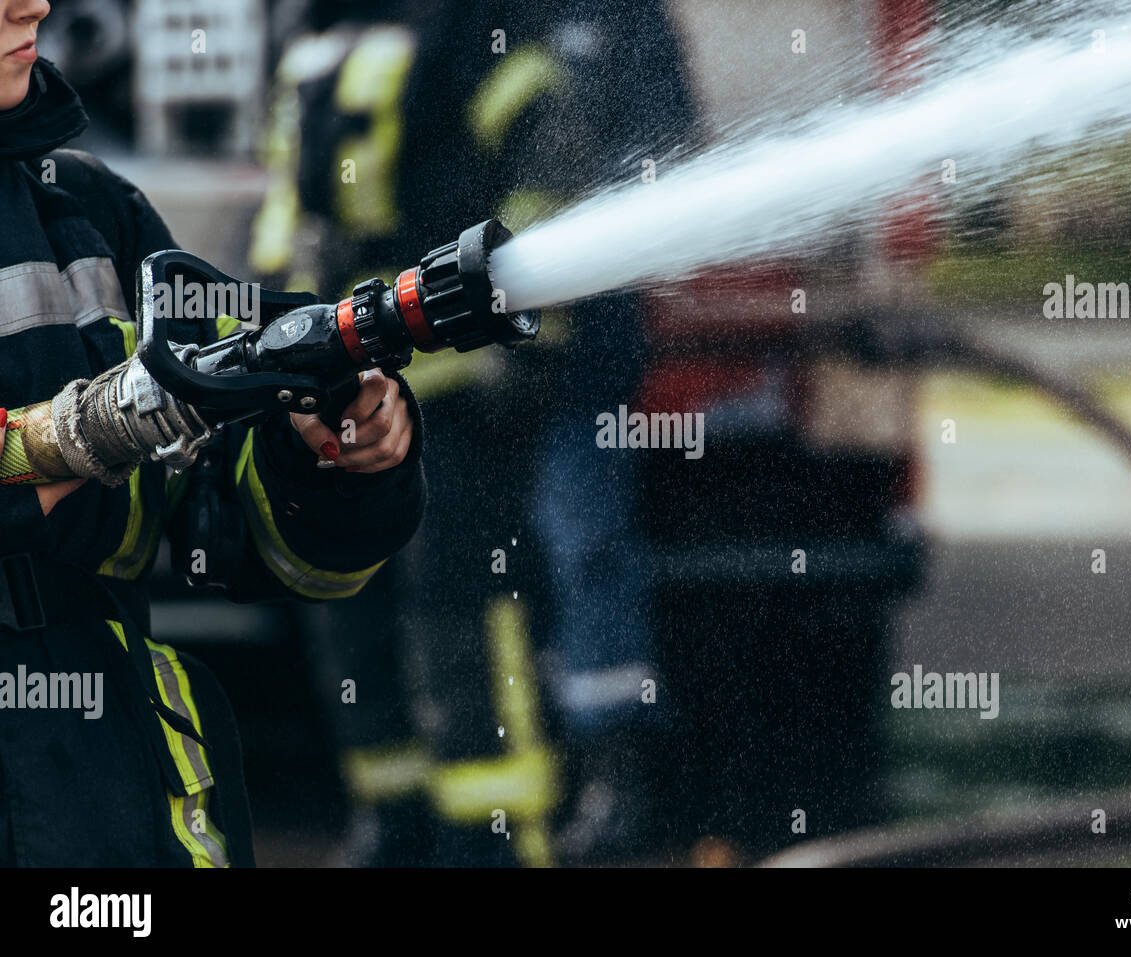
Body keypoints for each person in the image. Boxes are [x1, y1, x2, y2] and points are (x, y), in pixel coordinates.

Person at [250, 0, 696, 864]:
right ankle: (405, 821)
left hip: (439, 393)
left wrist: (527, 340)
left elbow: (543, 172)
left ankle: (487, 830)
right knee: (374, 609)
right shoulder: (340, 40)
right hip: (367, 386)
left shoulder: (451, 34)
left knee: (453, 610)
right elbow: (285, 215)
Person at [0, 0, 425, 866]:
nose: (32, 3)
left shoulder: (90, 213)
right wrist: (76, 436)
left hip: (111, 820)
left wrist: (322, 455)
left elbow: (231, 533)